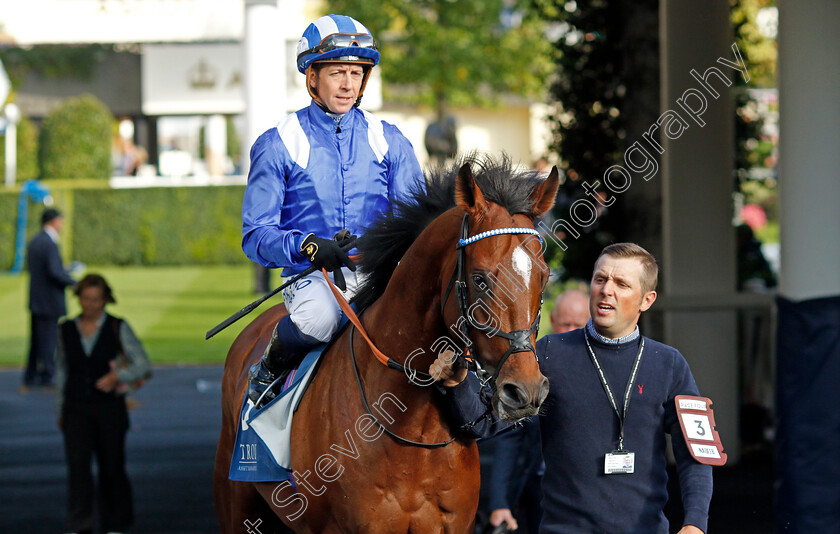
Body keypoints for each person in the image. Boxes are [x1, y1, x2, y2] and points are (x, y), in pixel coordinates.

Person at [435, 243, 713, 534]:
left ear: (647, 299)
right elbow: (482, 424)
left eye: (621, 284)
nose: (606, 290)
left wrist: (695, 524)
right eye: (600, 279)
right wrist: (457, 382)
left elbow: (696, 454)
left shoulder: (670, 364)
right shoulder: (548, 353)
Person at [241, 13, 424, 407]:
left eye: (356, 73)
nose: (347, 84)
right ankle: (269, 368)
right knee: (319, 319)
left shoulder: (390, 140)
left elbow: (418, 221)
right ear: (312, 78)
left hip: (379, 274)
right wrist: (306, 244)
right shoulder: (277, 144)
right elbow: (255, 234)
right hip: (311, 278)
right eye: (337, 72)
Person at [487, 289, 590, 533]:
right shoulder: (531, 371)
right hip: (539, 494)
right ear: (552, 321)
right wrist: (499, 502)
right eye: (565, 323)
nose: (571, 330)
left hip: (588, 494)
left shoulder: (602, 372)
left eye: (578, 324)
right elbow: (508, 437)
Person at [56, 274, 151, 534]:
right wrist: (60, 409)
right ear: (79, 299)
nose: (91, 305)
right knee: (78, 471)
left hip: (109, 409)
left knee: (112, 468)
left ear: (105, 300)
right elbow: (62, 372)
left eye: (96, 300)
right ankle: (80, 525)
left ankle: (116, 524)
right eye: (86, 299)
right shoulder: (65, 329)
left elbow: (142, 364)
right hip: (75, 409)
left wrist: (117, 376)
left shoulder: (117, 327)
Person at [22, 208, 77, 391]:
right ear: (53, 221)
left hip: (36, 298)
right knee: (48, 339)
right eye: (60, 221)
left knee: (36, 340)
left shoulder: (35, 241)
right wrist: (73, 282)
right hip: (49, 300)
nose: (61, 225)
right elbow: (54, 272)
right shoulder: (50, 243)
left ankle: (31, 374)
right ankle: (47, 373)